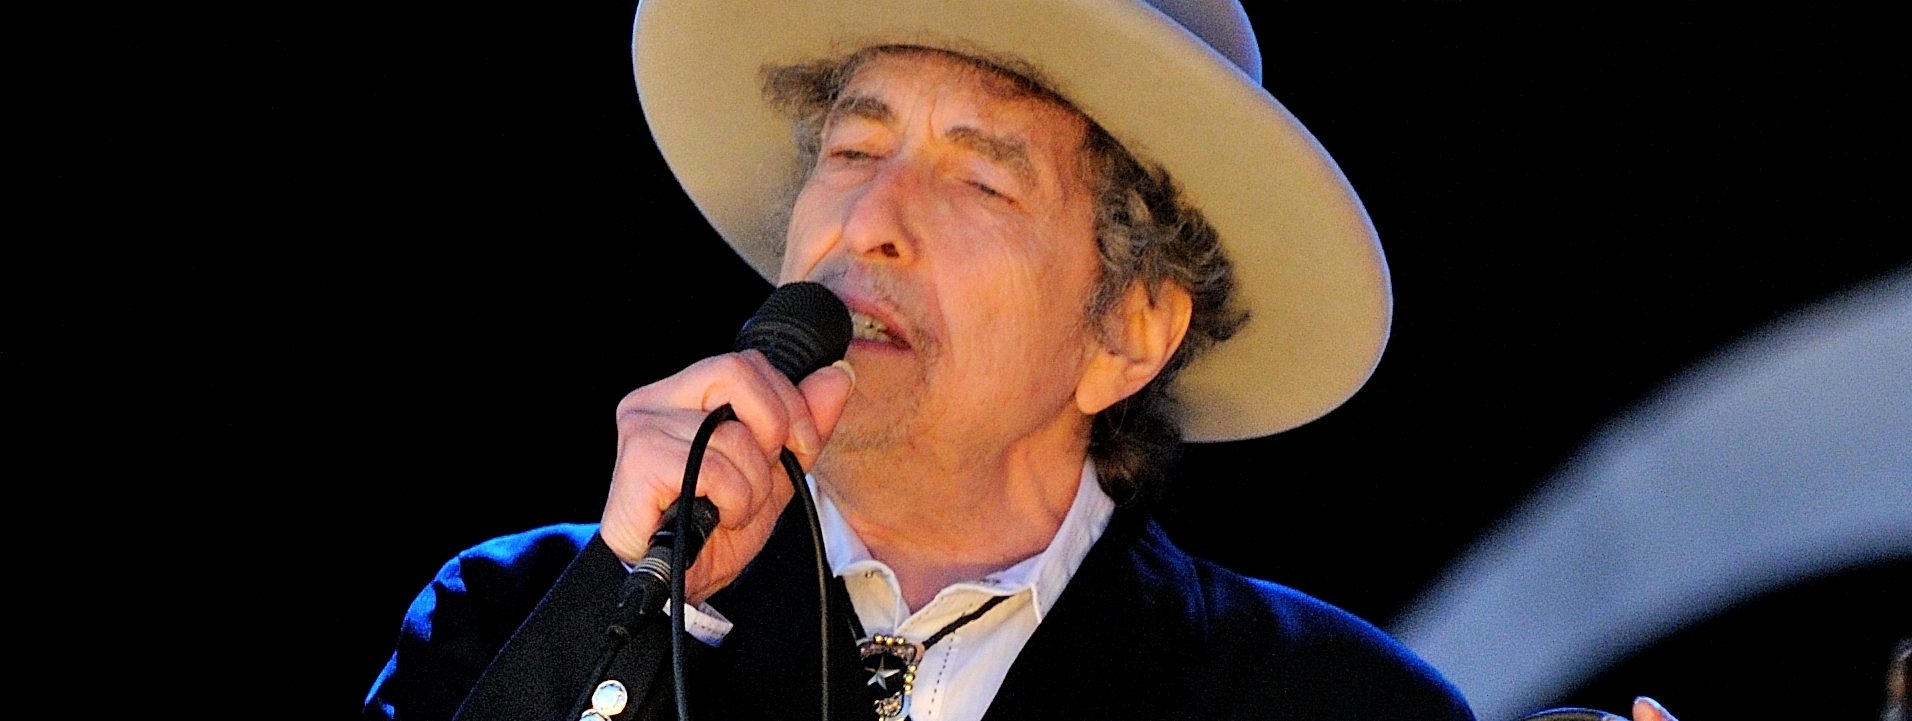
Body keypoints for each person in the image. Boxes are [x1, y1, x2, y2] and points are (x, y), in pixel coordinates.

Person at [365, 2, 1674, 720]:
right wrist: (634, 605)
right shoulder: (515, 611)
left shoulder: (1326, 709)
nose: (870, 217)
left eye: (981, 179)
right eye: (855, 146)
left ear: (1128, 332)